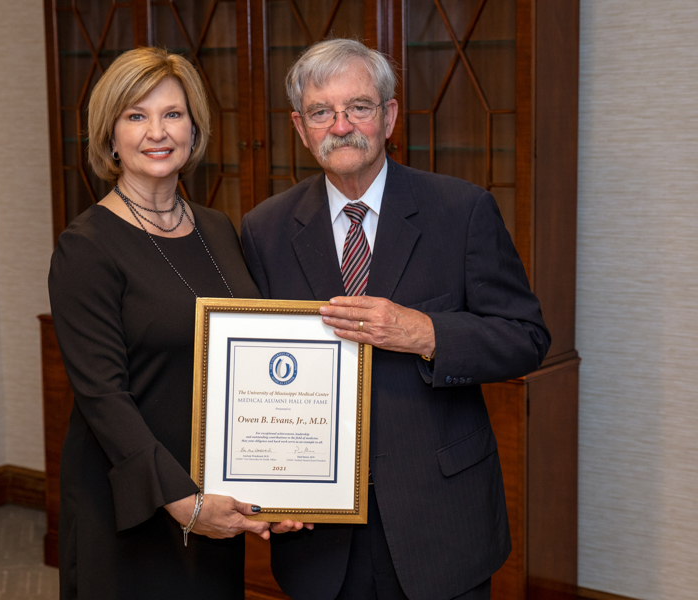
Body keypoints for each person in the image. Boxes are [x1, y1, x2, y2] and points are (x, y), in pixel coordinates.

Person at [240, 39, 551, 600]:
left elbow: (527, 339)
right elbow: (256, 374)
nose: (340, 125)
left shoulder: (462, 210)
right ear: (300, 127)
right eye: (321, 112)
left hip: (440, 518)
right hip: (319, 532)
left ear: (388, 115)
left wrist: (425, 333)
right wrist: (264, 484)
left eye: (358, 106)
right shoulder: (265, 229)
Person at [48, 47, 278, 599]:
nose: (157, 131)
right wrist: (183, 502)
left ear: (194, 132)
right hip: (132, 498)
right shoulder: (86, 246)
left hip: (212, 493)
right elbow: (103, 395)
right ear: (110, 136)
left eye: (173, 114)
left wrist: (272, 481)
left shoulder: (219, 228)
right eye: (136, 115)